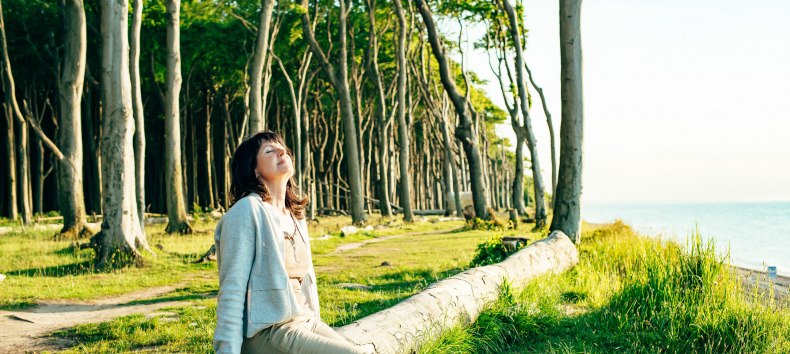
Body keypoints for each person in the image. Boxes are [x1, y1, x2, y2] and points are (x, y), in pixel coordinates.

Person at [213, 130, 364, 354]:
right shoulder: (246, 212)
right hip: (268, 330)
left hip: (304, 321)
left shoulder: (295, 216)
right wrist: (227, 351)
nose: (282, 151)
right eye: (270, 150)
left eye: (283, 148)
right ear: (253, 169)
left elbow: (307, 285)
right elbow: (232, 290)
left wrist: (315, 326)